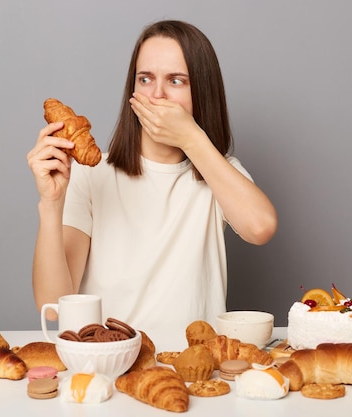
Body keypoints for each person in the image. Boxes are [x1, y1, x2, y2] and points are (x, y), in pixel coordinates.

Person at [27, 20, 277, 349]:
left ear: (201, 92)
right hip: (109, 367)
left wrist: (191, 138)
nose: (157, 94)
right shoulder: (93, 174)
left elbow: (260, 227)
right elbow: (56, 306)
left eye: (176, 81)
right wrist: (51, 205)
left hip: (190, 369)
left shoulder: (218, 173)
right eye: (145, 79)